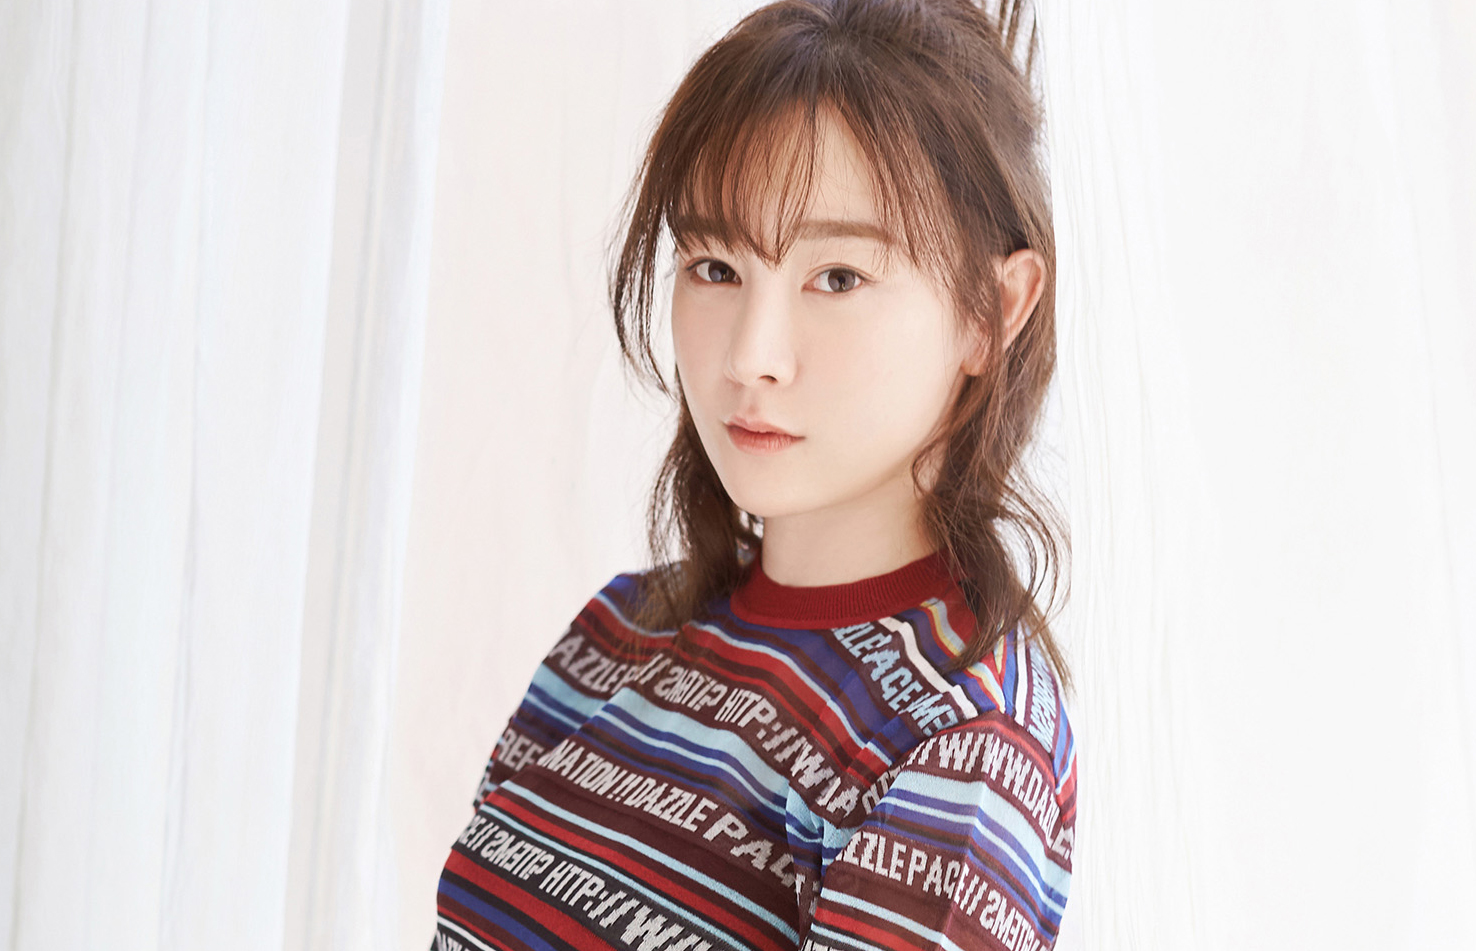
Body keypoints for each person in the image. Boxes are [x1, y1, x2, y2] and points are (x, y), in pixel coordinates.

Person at [432, 1, 1076, 948]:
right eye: (715, 266)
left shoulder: (964, 742)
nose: (750, 356)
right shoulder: (616, 633)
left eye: (838, 277)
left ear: (993, 310)